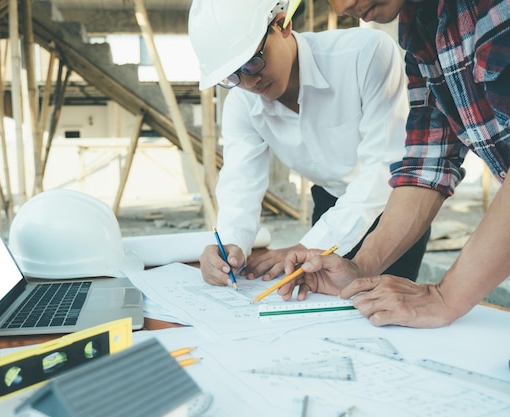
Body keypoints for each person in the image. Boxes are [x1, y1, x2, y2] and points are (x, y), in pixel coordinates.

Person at [280, 0, 510, 328]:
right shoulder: (419, 29)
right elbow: (427, 160)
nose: (343, 7)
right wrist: (361, 267)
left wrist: (447, 296)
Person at [188, 0, 431, 289]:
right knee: (321, 308)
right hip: (330, 204)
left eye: (252, 62)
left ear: (282, 25)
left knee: (384, 308)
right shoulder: (243, 101)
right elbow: (241, 179)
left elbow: (383, 170)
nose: (250, 82)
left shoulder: (365, 54)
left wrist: (307, 246)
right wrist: (231, 244)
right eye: (232, 76)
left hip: (394, 209)